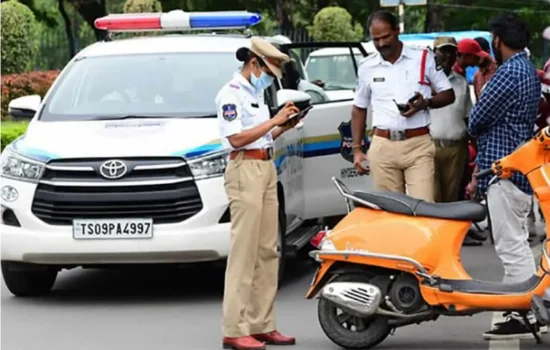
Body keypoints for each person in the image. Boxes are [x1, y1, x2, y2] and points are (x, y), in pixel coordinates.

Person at [216, 36, 301, 350]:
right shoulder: (230, 94)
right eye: (269, 71)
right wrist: (274, 121)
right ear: (255, 64)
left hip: (265, 167)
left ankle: (261, 324)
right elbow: (237, 139)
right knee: (244, 252)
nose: (271, 79)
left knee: (268, 251)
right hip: (245, 171)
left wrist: (283, 126)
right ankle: (235, 329)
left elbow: (260, 137)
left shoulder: (256, 93)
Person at [467, 13, 542, 340]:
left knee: (511, 246)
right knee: (517, 244)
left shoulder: (508, 73)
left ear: (496, 39)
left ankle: (523, 311)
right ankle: (528, 307)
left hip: (505, 169)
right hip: (518, 167)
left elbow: (477, 118)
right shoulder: (527, 68)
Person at [351, 10, 455, 202]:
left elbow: (449, 94)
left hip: (418, 144)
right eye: (376, 39)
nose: (381, 43)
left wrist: (426, 103)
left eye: (386, 37)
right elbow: (359, 108)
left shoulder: (423, 58)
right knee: (390, 213)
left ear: (397, 31)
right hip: (382, 145)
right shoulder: (367, 66)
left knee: (423, 208)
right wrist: (357, 150)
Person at [472, 37, 498, 101]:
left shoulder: (499, 69)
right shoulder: (476, 76)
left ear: (487, 52)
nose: (475, 58)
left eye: (478, 54)